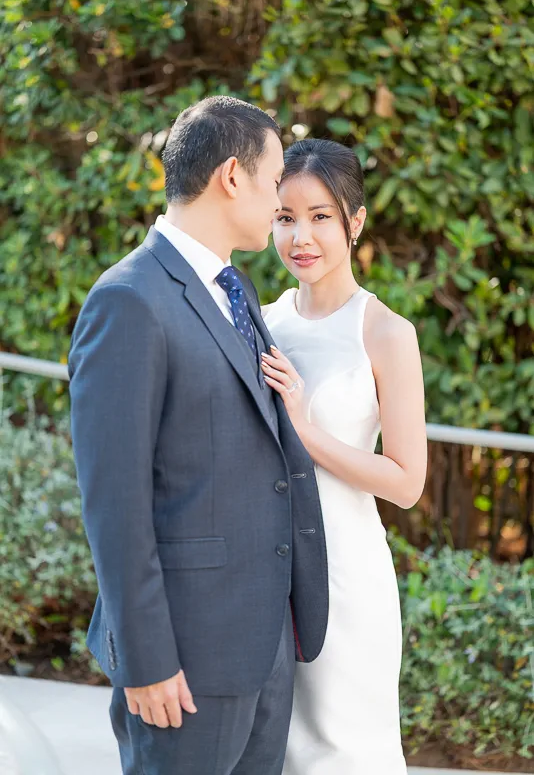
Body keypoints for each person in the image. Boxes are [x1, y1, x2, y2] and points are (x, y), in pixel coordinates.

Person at [68, 98, 329, 775]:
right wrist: (146, 658)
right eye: (276, 181)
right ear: (233, 177)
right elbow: (114, 502)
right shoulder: (128, 299)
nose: (280, 202)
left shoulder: (235, 288)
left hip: (263, 646)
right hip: (183, 660)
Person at [262, 138, 427, 774]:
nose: (300, 237)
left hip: (345, 578)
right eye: (285, 217)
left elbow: (406, 482)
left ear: (355, 221)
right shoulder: (261, 322)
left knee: (343, 751)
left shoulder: (386, 332)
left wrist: (306, 431)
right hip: (266, 579)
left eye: (320, 216)